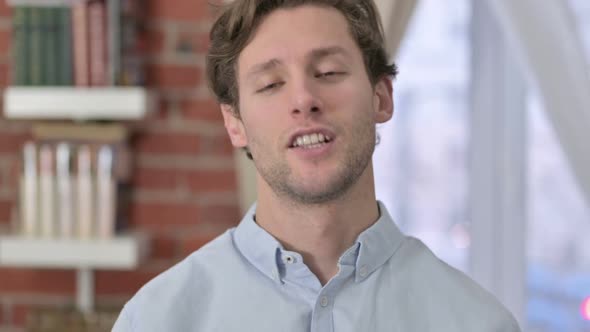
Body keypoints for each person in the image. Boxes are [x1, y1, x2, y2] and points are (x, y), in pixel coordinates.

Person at [113, 0, 521, 331]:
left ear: (381, 97)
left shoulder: (479, 322)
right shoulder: (154, 320)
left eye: (328, 72)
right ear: (234, 123)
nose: (304, 98)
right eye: (271, 84)